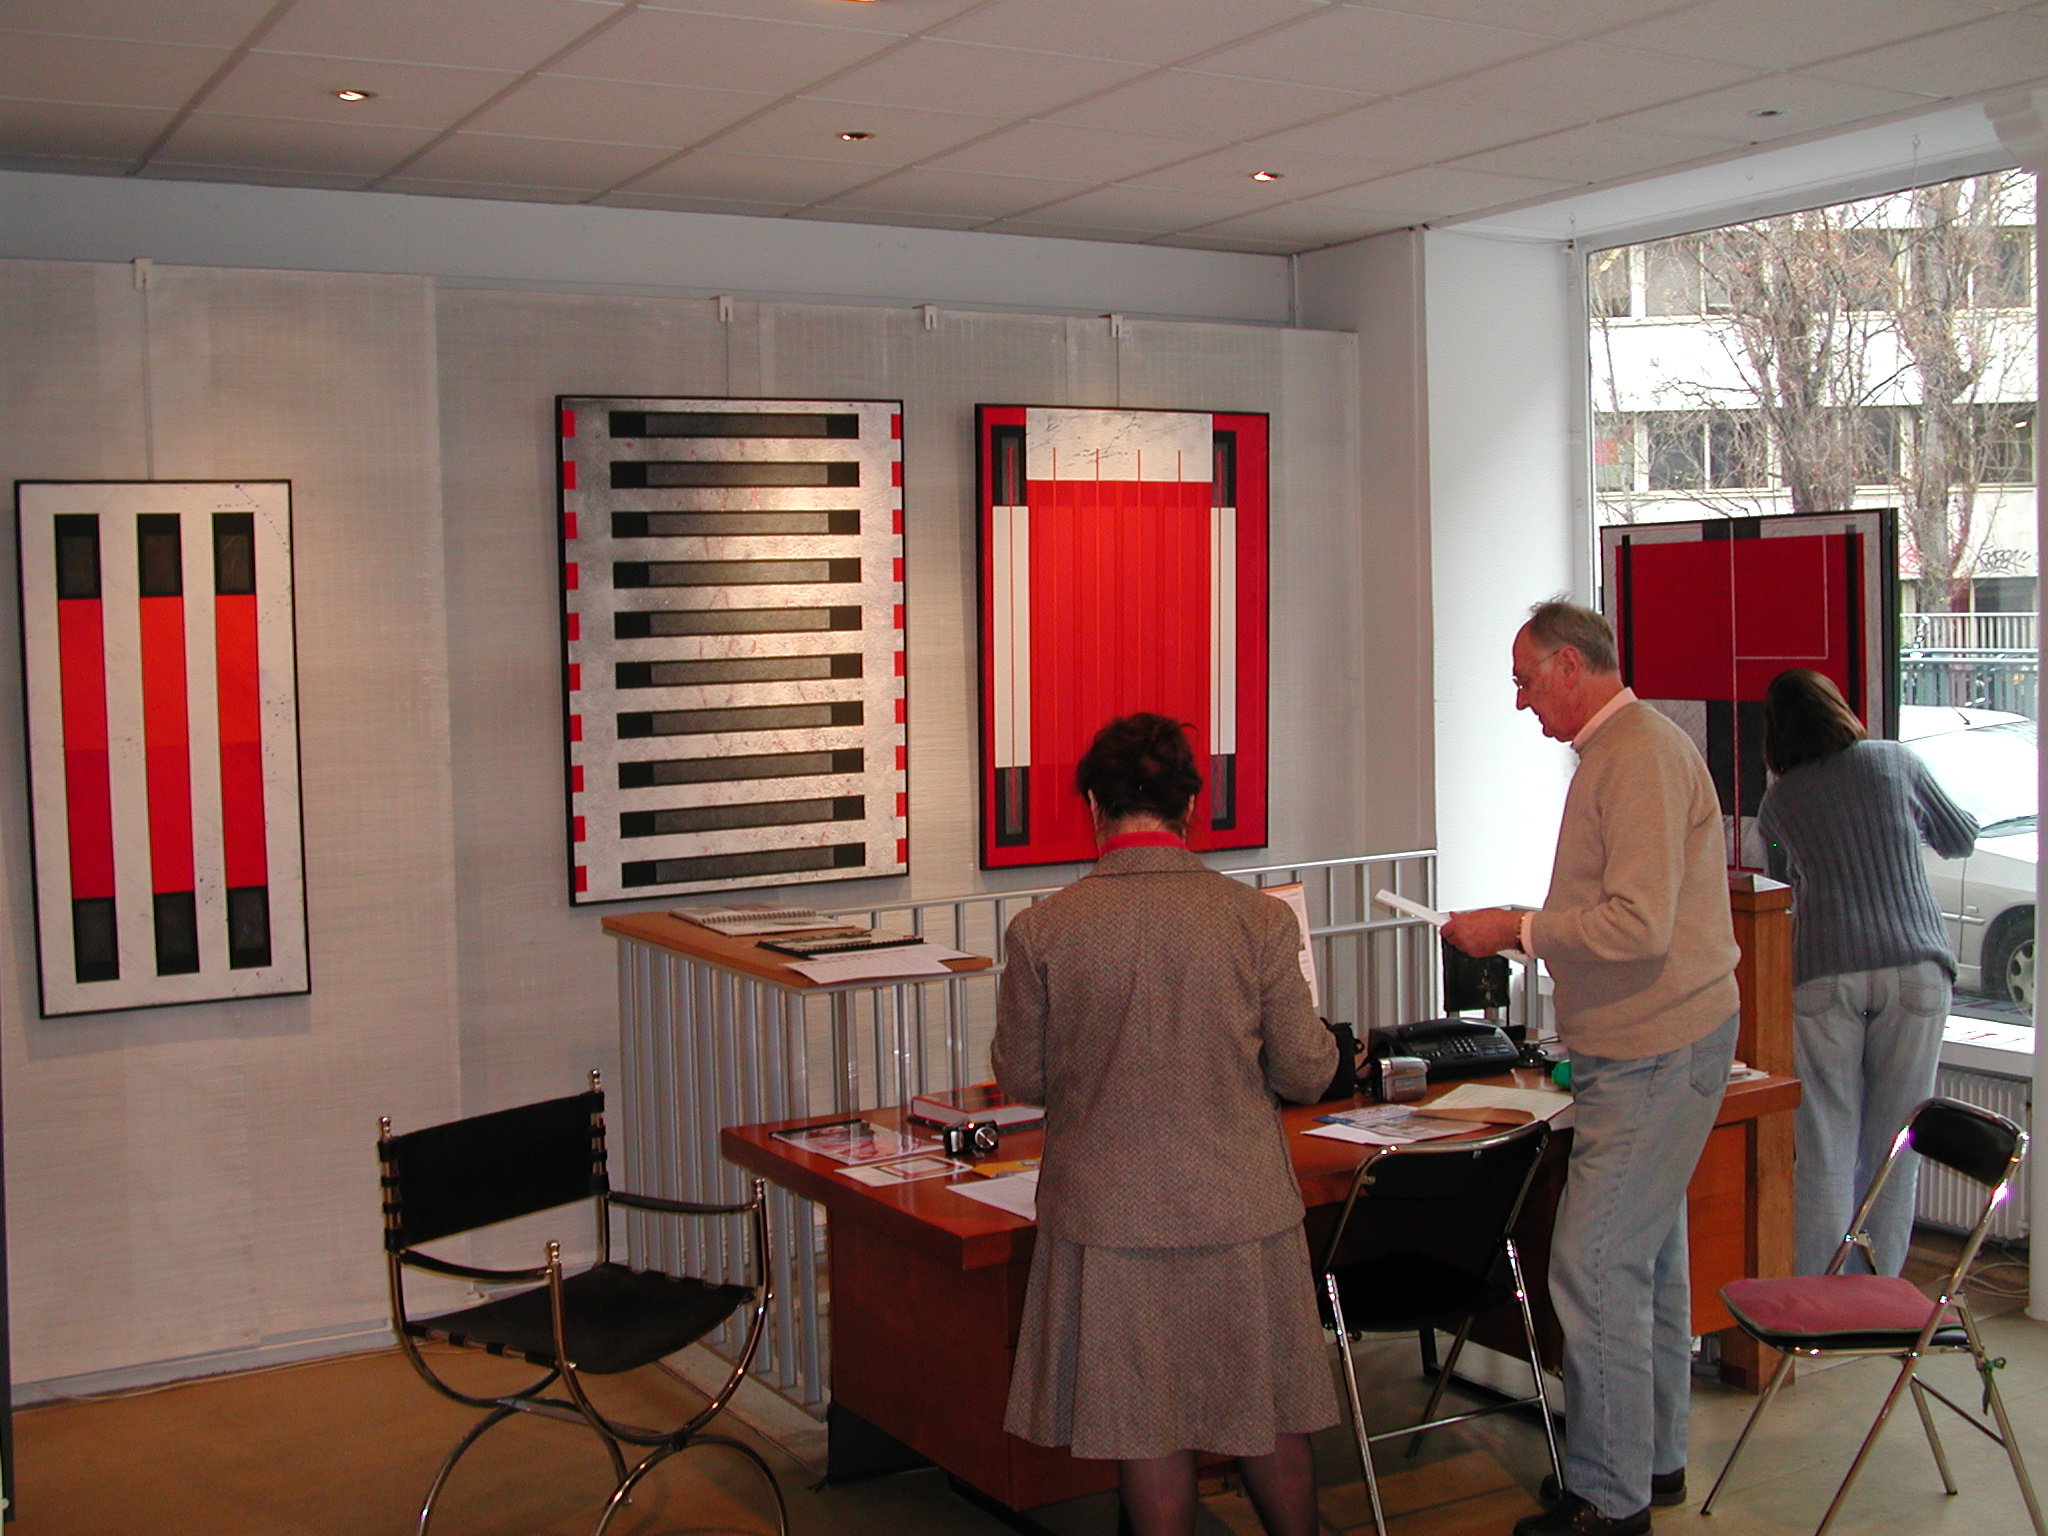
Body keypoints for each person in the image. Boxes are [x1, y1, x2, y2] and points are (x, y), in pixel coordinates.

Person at [992, 713, 1339, 1536]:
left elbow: (1024, 1078)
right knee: (1268, 1414)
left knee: (1145, 1431)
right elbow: (1307, 1071)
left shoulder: (1042, 929)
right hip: (1240, 1213)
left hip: (1110, 1222)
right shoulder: (1257, 921)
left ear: (1092, 805)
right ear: (1192, 806)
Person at [1443, 600, 1740, 1536]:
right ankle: (1649, 1463)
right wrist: (1525, 929)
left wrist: (1520, 929)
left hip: (1657, 1049)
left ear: (1571, 665)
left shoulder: (1637, 755)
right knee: (1644, 1259)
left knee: (1594, 1265)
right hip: (1645, 1045)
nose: (1522, 703)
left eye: (1526, 682)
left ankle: (1609, 1502)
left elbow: (1639, 925)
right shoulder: (1618, 753)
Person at [1754, 668, 1977, 1278]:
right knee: (1895, 1145)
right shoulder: (1894, 762)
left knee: (1824, 1144)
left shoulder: (1778, 804)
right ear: (1838, 708)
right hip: (1915, 968)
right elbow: (1960, 838)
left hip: (1823, 974)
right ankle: (1876, 1297)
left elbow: (1784, 883)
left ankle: (1820, 1299)